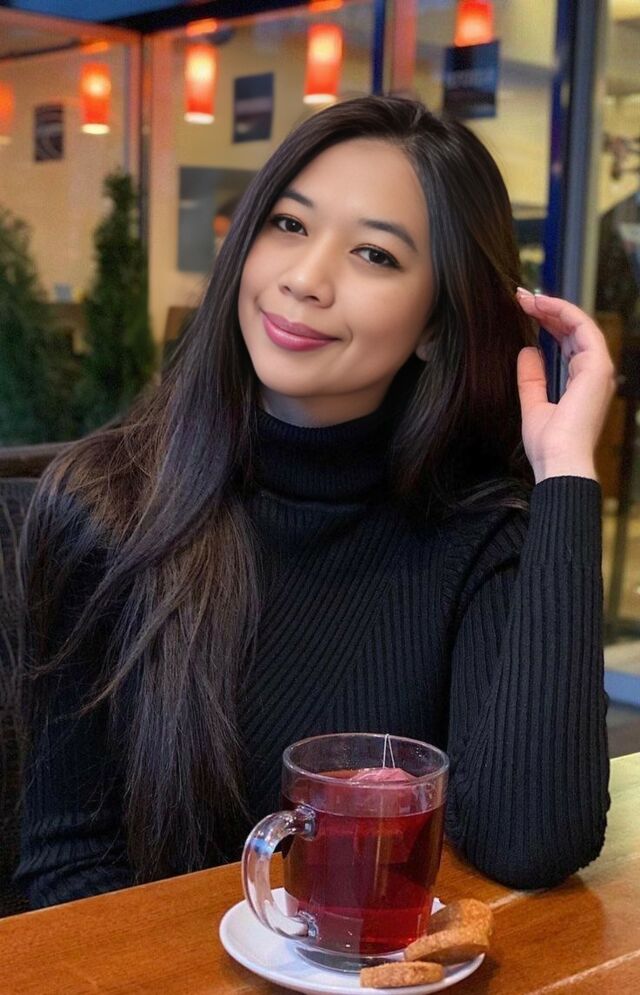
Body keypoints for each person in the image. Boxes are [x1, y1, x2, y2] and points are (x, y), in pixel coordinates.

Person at [16, 95, 614, 909]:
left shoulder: (476, 533)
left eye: (374, 254)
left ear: (437, 323)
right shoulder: (109, 507)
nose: (304, 278)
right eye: (289, 225)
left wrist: (566, 475)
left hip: (367, 962)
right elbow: (62, 869)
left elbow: (532, 840)